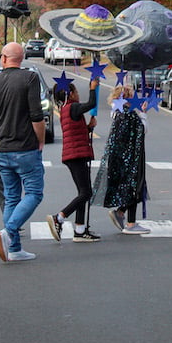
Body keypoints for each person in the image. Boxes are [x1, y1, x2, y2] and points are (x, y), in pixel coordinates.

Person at [0, 42, 46, 262]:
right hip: (25, 148)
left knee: (11, 197)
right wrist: (40, 141)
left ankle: (15, 249)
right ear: (23, 58)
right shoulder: (29, 78)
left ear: (3, 58)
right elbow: (36, 115)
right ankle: (9, 231)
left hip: (1, 150)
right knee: (34, 193)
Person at [47, 77, 102, 243]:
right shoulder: (73, 107)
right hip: (76, 155)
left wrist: (88, 128)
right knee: (86, 192)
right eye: (77, 91)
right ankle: (60, 217)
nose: (78, 94)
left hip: (74, 154)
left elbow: (75, 132)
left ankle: (79, 230)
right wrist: (93, 88)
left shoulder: (65, 109)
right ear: (70, 94)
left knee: (83, 193)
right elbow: (91, 104)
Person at [93, 84, 149, 235]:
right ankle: (130, 223)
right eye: (132, 95)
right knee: (133, 186)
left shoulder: (117, 112)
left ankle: (121, 212)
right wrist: (143, 114)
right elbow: (141, 132)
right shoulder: (128, 114)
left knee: (131, 187)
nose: (135, 98)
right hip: (128, 157)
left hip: (120, 157)